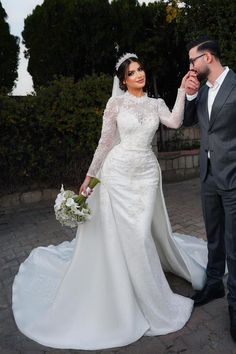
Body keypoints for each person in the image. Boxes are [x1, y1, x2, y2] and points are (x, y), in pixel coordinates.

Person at [12, 53, 208, 350]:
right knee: (128, 236)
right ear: (124, 80)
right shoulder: (115, 104)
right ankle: (124, 292)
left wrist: (181, 90)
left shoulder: (155, 104)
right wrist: (90, 178)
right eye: (132, 73)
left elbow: (175, 121)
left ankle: (148, 295)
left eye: (141, 69)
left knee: (140, 234)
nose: (139, 75)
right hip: (117, 173)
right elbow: (105, 143)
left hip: (145, 175)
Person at [183, 37, 236, 341]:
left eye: (193, 60)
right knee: (214, 235)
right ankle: (214, 283)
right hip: (207, 177)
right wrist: (190, 96)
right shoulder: (201, 91)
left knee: (233, 242)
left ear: (209, 57)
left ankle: (235, 305)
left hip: (232, 177)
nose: (191, 66)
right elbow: (189, 121)